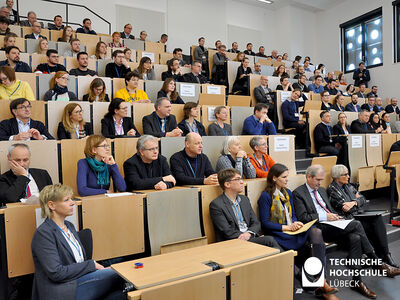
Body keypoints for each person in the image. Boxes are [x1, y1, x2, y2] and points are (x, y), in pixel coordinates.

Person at [293, 165, 398, 299]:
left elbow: (331, 209)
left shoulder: (321, 190)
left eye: (321, 180)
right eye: (317, 180)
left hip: (332, 224)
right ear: (308, 177)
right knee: (356, 224)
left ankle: (357, 281)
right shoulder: (298, 193)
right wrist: (326, 217)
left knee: (356, 238)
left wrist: (336, 216)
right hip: (318, 228)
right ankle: (376, 262)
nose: (320, 183)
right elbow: (304, 218)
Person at [31, 183, 126, 300]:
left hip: (79, 279)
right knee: (121, 273)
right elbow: (56, 273)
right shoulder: (43, 234)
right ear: (51, 205)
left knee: (124, 286)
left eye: (71, 199)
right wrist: (91, 265)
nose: (72, 203)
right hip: (62, 289)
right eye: (66, 200)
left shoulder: (69, 226)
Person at [258, 164, 337, 298]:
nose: (287, 179)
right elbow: (265, 223)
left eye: (287, 176)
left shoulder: (287, 192)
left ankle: (321, 279)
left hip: (291, 230)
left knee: (315, 231)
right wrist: (286, 227)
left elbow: (293, 214)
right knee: (314, 235)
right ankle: (321, 283)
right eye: (284, 177)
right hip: (279, 233)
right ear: (274, 178)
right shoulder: (265, 197)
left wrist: (295, 223)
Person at [327, 164, 399, 268]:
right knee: (373, 223)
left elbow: (363, 199)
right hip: (350, 220)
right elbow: (345, 208)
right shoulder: (332, 189)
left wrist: (354, 202)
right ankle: (378, 257)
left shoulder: (348, 186)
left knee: (377, 218)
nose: (348, 176)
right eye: (345, 175)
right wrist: (356, 202)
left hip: (358, 215)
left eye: (348, 174)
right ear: (337, 177)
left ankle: (386, 254)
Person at [209, 168, 281, 249]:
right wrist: (248, 237)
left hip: (248, 237)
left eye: (241, 179)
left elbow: (256, 223)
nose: (242, 182)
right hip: (232, 242)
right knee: (269, 241)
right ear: (227, 184)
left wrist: (249, 234)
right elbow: (226, 231)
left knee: (270, 243)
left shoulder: (244, 199)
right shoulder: (216, 205)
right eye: (238, 179)